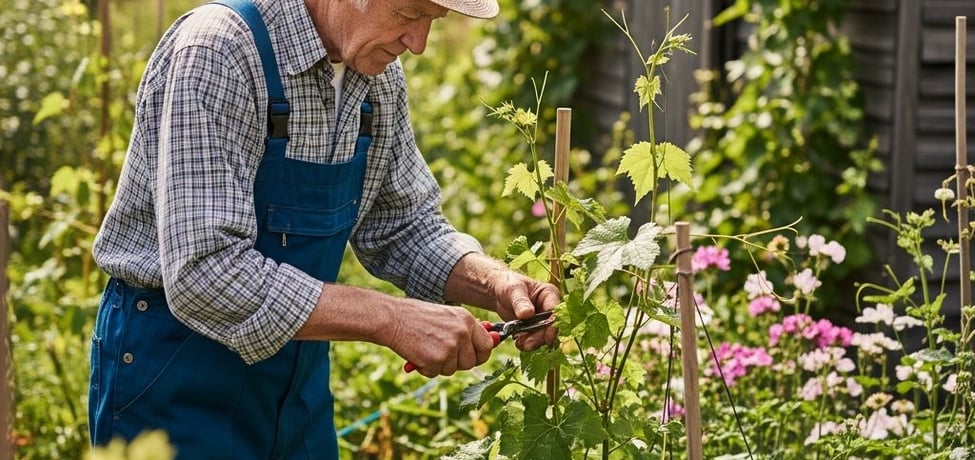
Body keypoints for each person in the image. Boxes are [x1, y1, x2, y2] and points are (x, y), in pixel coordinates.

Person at [88, 0, 559, 457]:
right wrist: (391, 319)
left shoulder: (374, 76)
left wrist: (495, 283)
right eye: (410, 14)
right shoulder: (219, 51)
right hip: (175, 380)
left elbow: (402, 226)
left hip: (296, 386)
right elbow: (206, 274)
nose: (418, 44)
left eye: (432, 20)